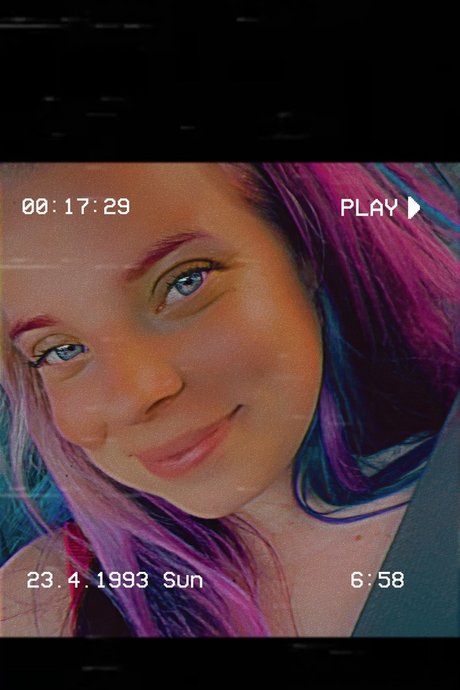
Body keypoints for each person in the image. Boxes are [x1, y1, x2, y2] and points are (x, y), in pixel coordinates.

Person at [0, 162, 458, 637]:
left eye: (184, 282)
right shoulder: (37, 604)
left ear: (303, 250)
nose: (134, 396)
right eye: (61, 351)